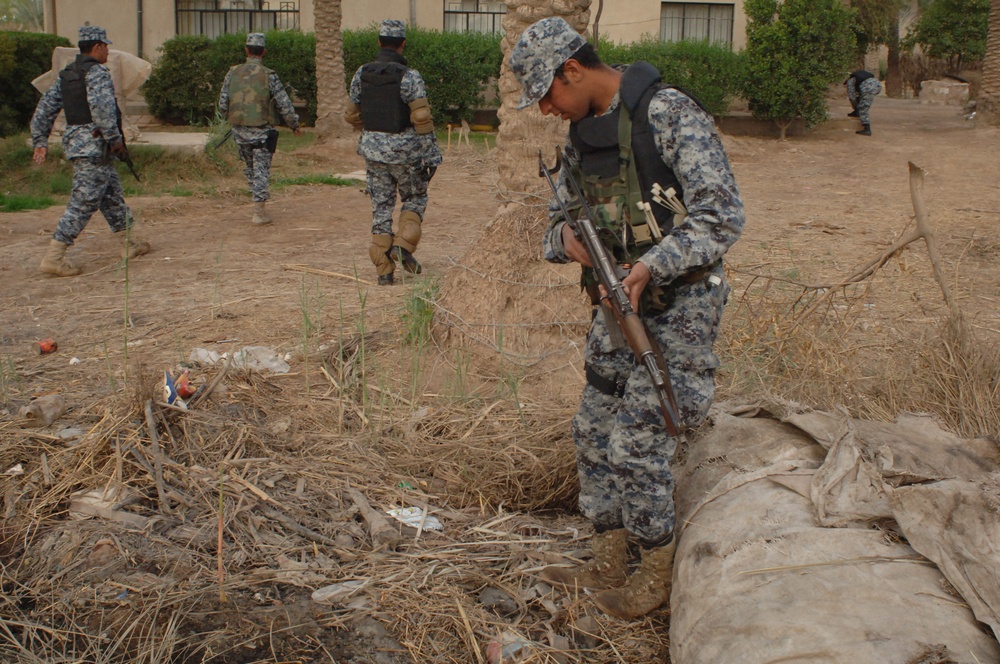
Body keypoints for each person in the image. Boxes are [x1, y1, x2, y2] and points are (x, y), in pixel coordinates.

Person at [510, 17, 744, 620]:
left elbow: (722, 216)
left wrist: (651, 266)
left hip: (681, 304)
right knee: (592, 431)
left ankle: (656, 568)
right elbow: (554, 223)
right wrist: (566, 240)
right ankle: (610, 552)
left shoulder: (667, 114)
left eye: (547, 95)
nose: (544, 110)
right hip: (616, 305)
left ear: (573, 70)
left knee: (637, 443)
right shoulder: (580, 137)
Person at [30, 25, 150, 277]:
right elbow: (102, 109)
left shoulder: (67, 74)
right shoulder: (97, 73)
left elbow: (44, 109)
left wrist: (40, 139)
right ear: (97, 47)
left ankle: (129, 243)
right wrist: (115, 140)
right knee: (84, 202)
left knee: (111, 195)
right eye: (106, 46)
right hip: (95, 145)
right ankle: (54, 257)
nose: (108, 50)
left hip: (77, 143)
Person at [345, 19, 443, 286]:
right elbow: (421, 119)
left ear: (378, 42)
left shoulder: (361, 73)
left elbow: (351, 115)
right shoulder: (410, 76)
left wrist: (371, 133)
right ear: (403, 44)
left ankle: (383, 270)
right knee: (414, 197)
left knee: (381, 206)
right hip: (406, 152)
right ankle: (403, 245)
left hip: (373, 152)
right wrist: (432, 155)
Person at [218, 32, 302, 225]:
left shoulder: (233, 72)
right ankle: (259, 211)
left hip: (239, 130)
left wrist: (229, 119)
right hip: (262, 131)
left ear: (246, 50)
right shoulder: (269, 75)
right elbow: (284, 104)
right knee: (261, 170)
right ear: (264, 52)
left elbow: (223, 102)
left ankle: (256, 204)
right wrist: (294, 125)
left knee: (250, 168)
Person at [845, 69, 881, 136]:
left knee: (863, 107)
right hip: (877, 84)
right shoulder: (858, 77)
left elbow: (852, 97)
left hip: (868, 87)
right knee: (863, 100)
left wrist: (856, 107)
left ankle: (867, 129)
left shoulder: (850, 82)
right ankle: (857, 112)